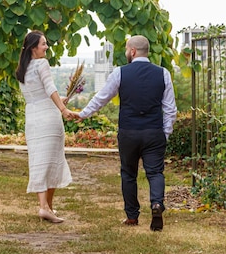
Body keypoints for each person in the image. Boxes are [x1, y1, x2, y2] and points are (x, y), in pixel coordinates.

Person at [72, 35, 177, 231]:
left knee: (128, 173)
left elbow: (101, 98)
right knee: (155, 172)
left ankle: (132, 216)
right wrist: (165, 133)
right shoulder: (163, 74)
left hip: (129, 131)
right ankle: (156, 204)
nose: (126, 53)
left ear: (133, 51)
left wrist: (83, 114)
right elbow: (170, 109)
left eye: (127, 49)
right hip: (154, 131)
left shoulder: (120, 73)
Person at [15, 30, 74, 223]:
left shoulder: (22, 69)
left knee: (39, 161)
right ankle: (44, 207)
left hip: (32, 118)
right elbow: (50, 88)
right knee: (52, 160)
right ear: (33, 48)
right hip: (49, 119)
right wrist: (63, 108)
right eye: (43, 44)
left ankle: (47, 207)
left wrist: (60, 100)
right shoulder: (42, 63)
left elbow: (40, 94)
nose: (46, 47)